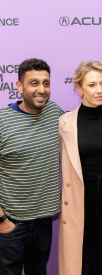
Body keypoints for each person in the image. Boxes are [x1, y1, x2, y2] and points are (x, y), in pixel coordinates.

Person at [58, 61, 102, 275]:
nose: (99, 90)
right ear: (79, 88)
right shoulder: (64, 122)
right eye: (92, 85)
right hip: (79, 200)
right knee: (81, 262)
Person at [0, 58, 63, 275]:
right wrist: (2, 220)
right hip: (10, 224)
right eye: (34, 83)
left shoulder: (54, 113)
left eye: (46, 83)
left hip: (44, 222)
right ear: (19, 86)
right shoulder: (2, 121)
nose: (41, 89)